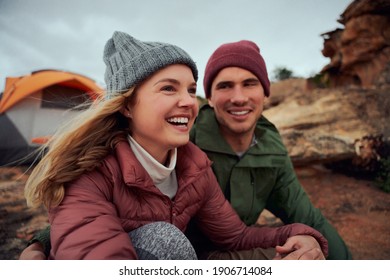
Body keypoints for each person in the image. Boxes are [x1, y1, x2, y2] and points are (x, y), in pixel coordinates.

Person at [21, 31, 328, 260]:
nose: (188, 101)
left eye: (191, 89)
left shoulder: (193, 165)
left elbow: (235, 236)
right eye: (168, 88)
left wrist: (299, 235)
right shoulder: (90, 171)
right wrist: (39, 243)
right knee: (164, 240)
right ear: (126, 106)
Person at [187, 40, 352, 260]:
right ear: (209, 97)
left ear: (265, 92)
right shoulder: (185, 143)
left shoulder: (272, 152)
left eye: (250, 83)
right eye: (225, 86)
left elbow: (307, 217)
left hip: (239, 248)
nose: (239, 98)